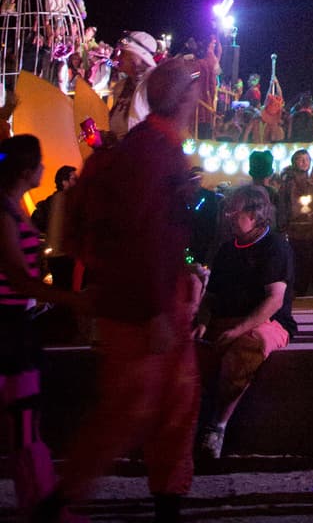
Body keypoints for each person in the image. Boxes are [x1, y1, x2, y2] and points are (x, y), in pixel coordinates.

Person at [53, 54, 205, 521]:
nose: (202, 96)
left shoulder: (150, 146)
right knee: (130, 411)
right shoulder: (154, 153)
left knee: (170, 406)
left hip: (147, 297)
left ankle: (165, 500)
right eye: (196, 88)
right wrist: (158, 308)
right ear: (182, 98)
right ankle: (60, 500)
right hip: (144, 305)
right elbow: (143, 234)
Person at [1, 136, 85, 520]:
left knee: (24, 424)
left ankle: (40, 504)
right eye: (39, 162)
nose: (43, 169)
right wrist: (76, 299)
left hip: (17, 325)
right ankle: (43, 508)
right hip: (7, 328)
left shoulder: (14, 208)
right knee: (23, 425)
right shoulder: (4, 211)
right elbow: (18, 276)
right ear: (24, 169)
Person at [196, 184, 296, 460]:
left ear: (255, 214)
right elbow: (211, 296)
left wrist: (239, 329)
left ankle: (217, 427)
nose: (228, 215)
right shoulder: (227, 250)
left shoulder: (275, 246)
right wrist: (202, 322)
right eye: (227, 210)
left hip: (268, 323)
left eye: (234, 210)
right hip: (226, 319)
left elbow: (274, 300)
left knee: (244, 348)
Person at [275, 150, 313, 295]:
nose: (304, 162)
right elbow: (282, 210)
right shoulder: (287, 186)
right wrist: (284, 227)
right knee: (297, 271)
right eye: (300, 159)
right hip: (295, 235)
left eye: (307, 159)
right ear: (294, 162)